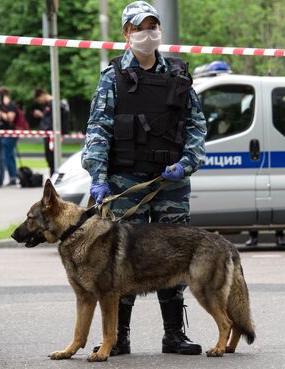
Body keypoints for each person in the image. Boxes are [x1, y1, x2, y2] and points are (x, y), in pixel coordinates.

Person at [81, 1, 207, 357]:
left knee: (174, 257)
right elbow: (98, 130)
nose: (148, 33)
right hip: (125, 184)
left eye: (153, 26)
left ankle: (173, 335)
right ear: (127, 33)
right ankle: (117, 337)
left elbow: (197, 126)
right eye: (140, 27)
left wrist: (186, 163)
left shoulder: (179, 75)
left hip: (171, 184)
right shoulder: (113, 78)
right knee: (120, 262)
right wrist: (99, 176)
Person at [32, 88, 70, 175]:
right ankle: (52, 176)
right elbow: (50, 120)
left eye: (39, 99)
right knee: (49, 158)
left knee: (52, 158)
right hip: (49, 135)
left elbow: (62, 119)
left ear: (42, 95)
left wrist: (62, 133)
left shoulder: (55, 104)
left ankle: (54, 177)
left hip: (53, 136)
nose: (40, 101)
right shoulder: (50, 105)